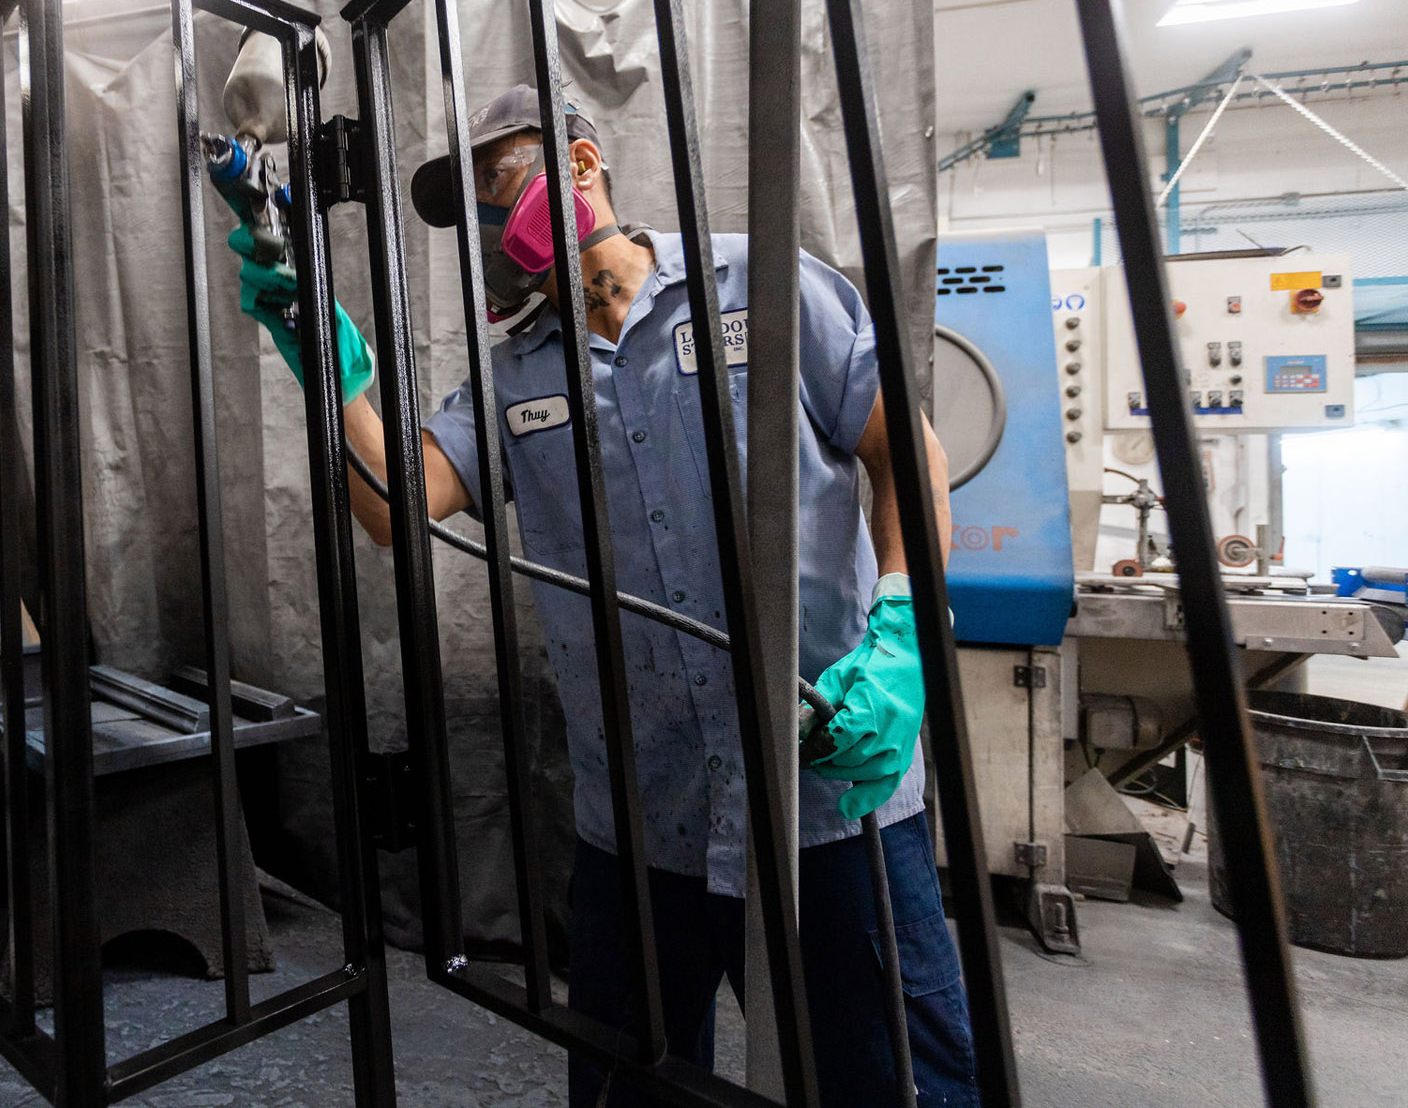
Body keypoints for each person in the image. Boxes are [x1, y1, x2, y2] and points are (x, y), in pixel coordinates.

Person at [233, 84, 978, 1107]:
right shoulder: (512, 377)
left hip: (830, 799)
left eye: (501, 180)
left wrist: (901, 627)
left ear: (582, 166)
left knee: (883, 1085)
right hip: (639, 826)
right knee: (631, 1090)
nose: (492, 221)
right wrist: (326, 356)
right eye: (474, 208)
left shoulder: (761, 285)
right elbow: (399, 507)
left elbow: (907, 451)